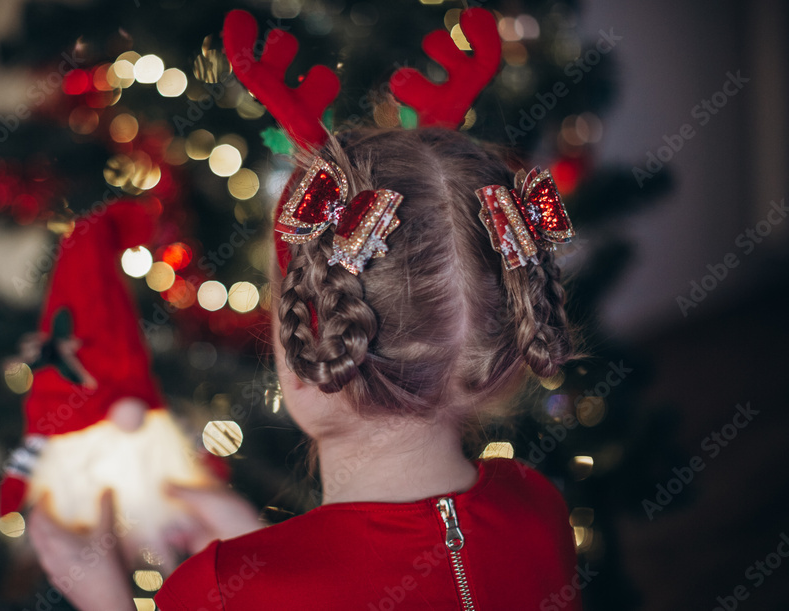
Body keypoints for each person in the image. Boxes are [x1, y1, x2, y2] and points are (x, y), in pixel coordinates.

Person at [29, 125, 583, 610]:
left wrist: (107, 600)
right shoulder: (536, 505)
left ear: (310, 342)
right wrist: (249, 545)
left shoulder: (211, 593)